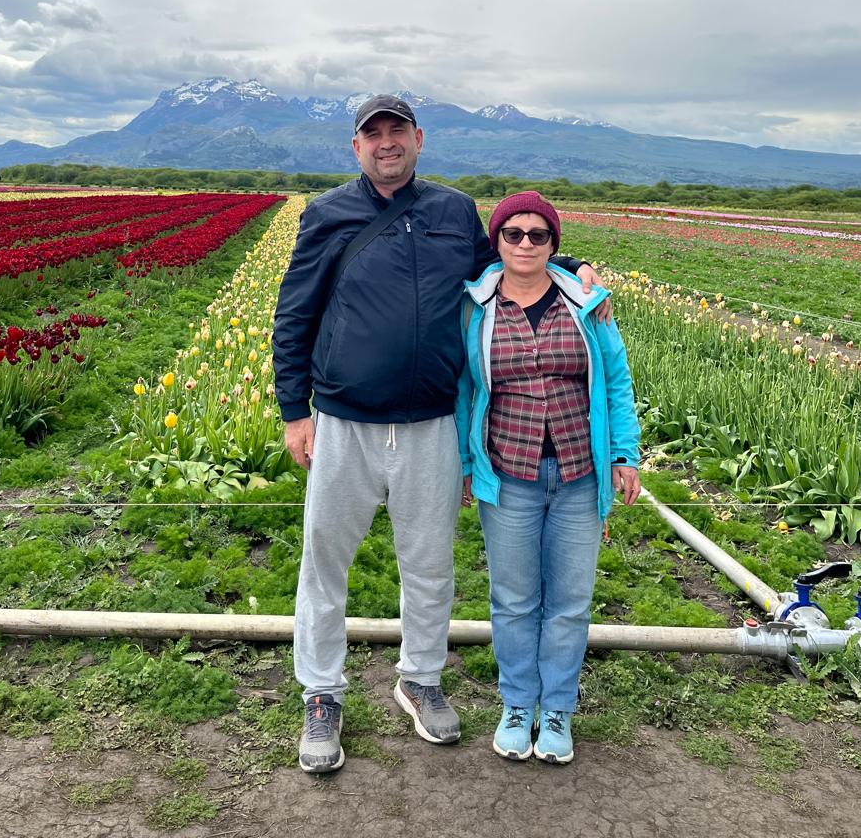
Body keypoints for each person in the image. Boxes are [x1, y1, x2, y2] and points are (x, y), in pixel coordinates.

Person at [272, 96, 609, 774]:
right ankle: (322, 693)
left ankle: (420, 679)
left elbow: (508, 265)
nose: (387, 143)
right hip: (344, 420)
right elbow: (295, 311)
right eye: (374, 135)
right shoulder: (328, 214)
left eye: (398, 132)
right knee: (325, 563)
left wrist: (570, 267)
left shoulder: (454, 211)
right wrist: (294, 409)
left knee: (428, 566)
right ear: (356, 147)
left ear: (419, 140)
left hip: (431, 422)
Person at [456, 191, 640, 765]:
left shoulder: (586, 304)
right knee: (512, 599)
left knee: (569, 601)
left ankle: (556, 708)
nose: (526, 244)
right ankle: (517, 704)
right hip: (509, 474)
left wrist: (625, 455)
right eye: (514, 234)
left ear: (554, 244)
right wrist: (465, 465)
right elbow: (465, 391)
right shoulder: (474, 307)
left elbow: (615, 379)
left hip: (581, 474)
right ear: (498, 243)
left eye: (539, 235)